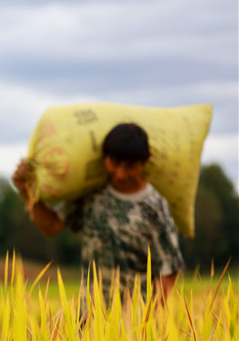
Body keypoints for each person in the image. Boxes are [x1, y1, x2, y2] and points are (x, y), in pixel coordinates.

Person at [12, 123, 184, 312]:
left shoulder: (154, 207)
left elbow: (170, 267)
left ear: (145, 161)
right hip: (87, 315)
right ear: (105, 158)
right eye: (115, 163)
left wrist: (148, 319)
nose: (120, 173)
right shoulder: (92, 196)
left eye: (130, 166)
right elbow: (51, 227)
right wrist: (25, 189)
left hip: (134, 318)